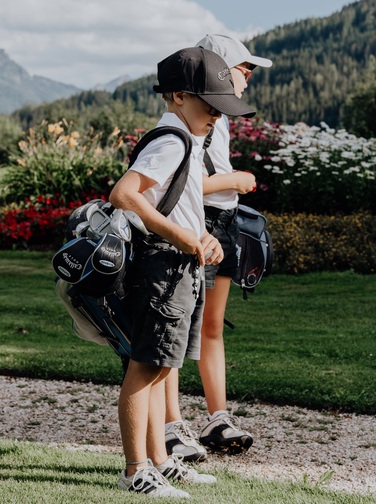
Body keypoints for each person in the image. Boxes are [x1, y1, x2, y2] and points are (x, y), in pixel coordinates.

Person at [109, 46, 257, 497]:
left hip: (178, 265)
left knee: (157, 369)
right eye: (209, 105)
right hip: (163, 267)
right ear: (177, 96)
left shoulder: (184, 138)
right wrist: (178, 237)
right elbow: (125, 194)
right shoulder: (172, 140)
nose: (215, 115)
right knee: (145, 367)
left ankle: (160, 460)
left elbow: (177, 202)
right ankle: (137, 471)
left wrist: (200, 236)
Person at [164, 35, 272, 461]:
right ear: (221, 70)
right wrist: (235, 180)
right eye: (245, 69)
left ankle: (216, 418)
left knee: (211, 326)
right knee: (176, 328)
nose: (249, 77)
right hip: (198, 226)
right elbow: (183, 184)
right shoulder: (191, 116)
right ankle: (170, 425)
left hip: (223, 226)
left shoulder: (221, 117)